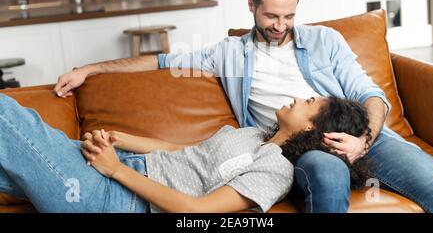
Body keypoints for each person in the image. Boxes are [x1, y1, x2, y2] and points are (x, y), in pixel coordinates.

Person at [54, 0, 433, 213]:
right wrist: (92, 67)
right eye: (272, 15)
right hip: (305, 147)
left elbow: (370, 94)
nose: (281, 24)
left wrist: (364, 138)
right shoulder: (227, 54)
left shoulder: (325, 41)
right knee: (326, 173)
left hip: (368, 137)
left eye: (290, 15)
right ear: (251, 6)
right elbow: (160, 61)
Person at [0, 92, 370, 213]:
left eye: (307, 102)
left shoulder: (276, 171)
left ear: (311, 128)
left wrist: (115, 171)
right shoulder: (257, 135)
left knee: (7, 115)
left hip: (112, 198)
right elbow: (184, 152)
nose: (295, 98)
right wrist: (118, 139)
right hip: (120, 168)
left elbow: (196, 212)